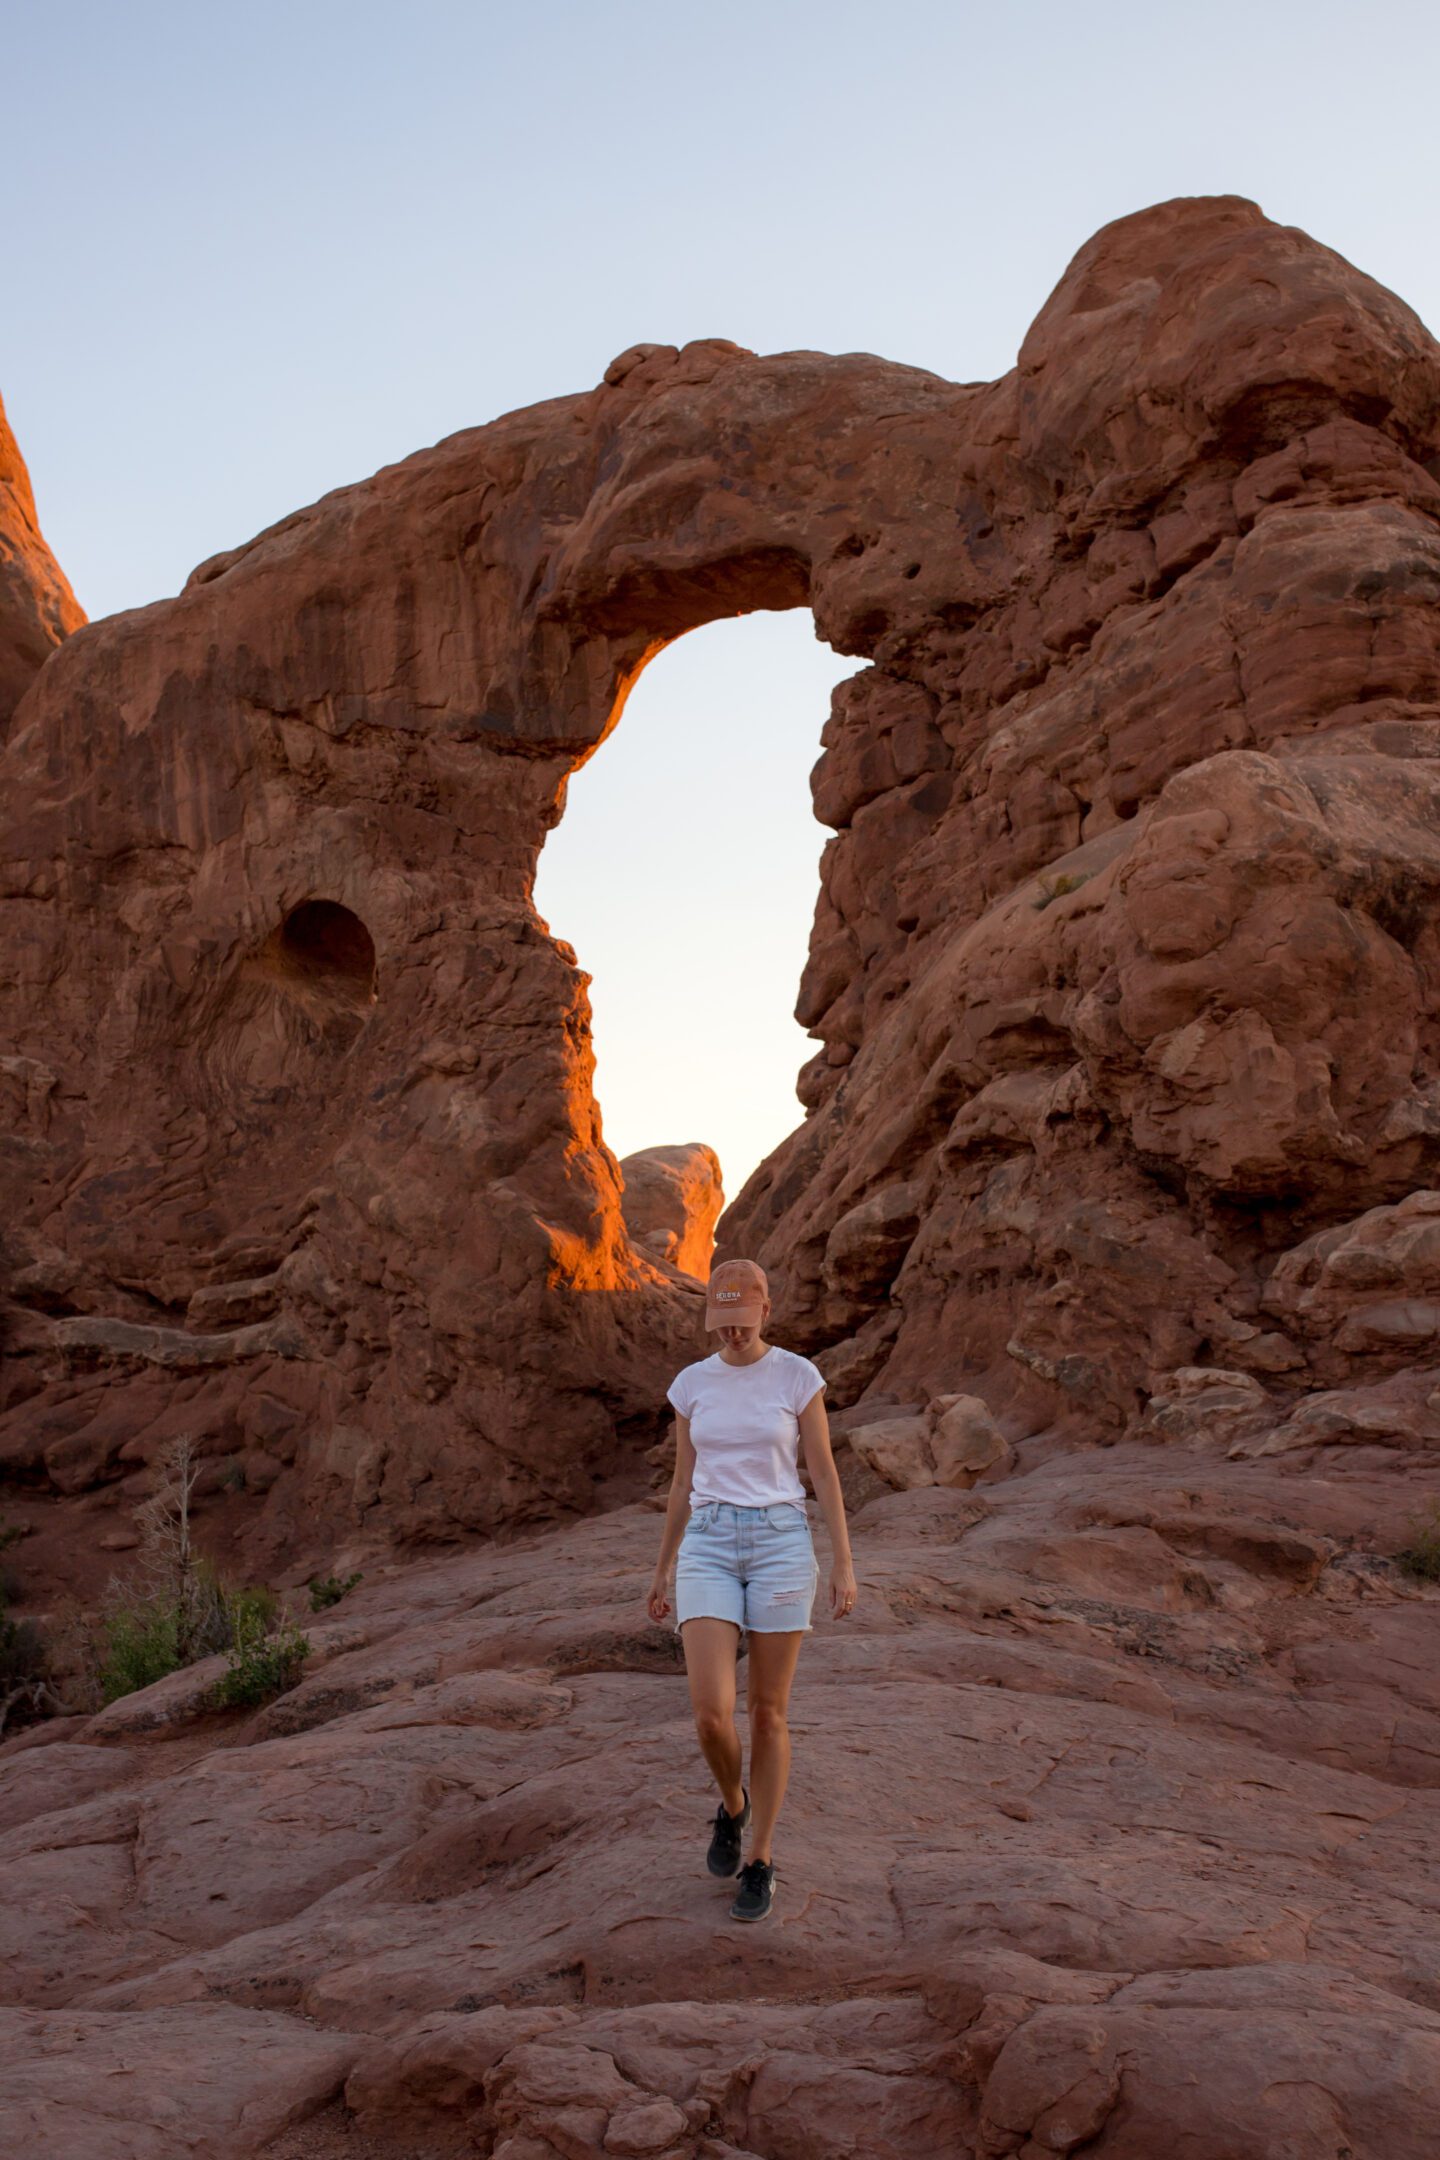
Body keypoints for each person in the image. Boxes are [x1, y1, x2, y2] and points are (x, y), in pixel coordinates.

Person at [646, 1257, 858, 1922]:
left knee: (768, 1712)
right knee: (710, 1713)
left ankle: (761, 1858)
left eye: (743, 1322)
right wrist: (661, 1568)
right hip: (707, 1542)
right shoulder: (691, 1384)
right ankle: (734, 1807)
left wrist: (844, 1562)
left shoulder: (798, 1376)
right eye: (722, 1323)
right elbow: (682, 1482)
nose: (733, 1335)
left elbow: (822, 1471)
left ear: (766, 1312)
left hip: (780, 1543)